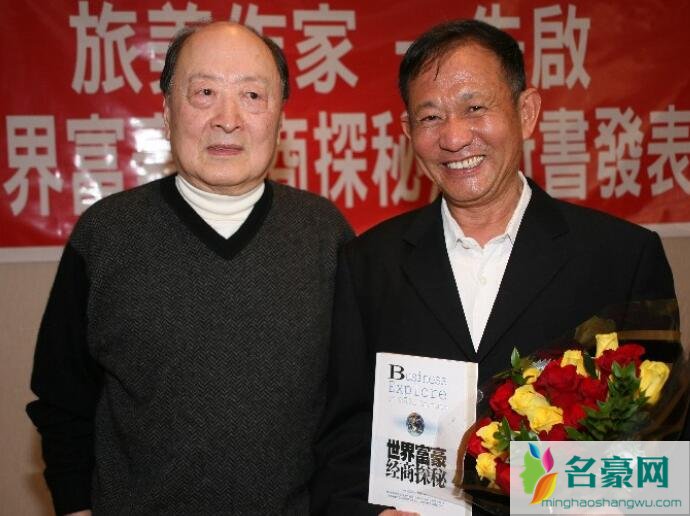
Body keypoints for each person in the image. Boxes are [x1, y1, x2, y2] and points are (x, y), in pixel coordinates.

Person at [311, 19, 680, 515]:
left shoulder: (623, 259)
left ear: (526, 112)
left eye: (475, 108)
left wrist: (533, 493)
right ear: (407, 132)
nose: (454, 137)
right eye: (430, 117)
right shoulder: (368, 264)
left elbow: (660, 456)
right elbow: (345, 441)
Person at [27, 21, 353, 515]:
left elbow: (354, 405)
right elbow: (61, 399)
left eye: (252, 95)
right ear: (166, 111)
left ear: (279, 116)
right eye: (204, 93)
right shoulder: (106, 235)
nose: (228, 119)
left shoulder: (326, 234)